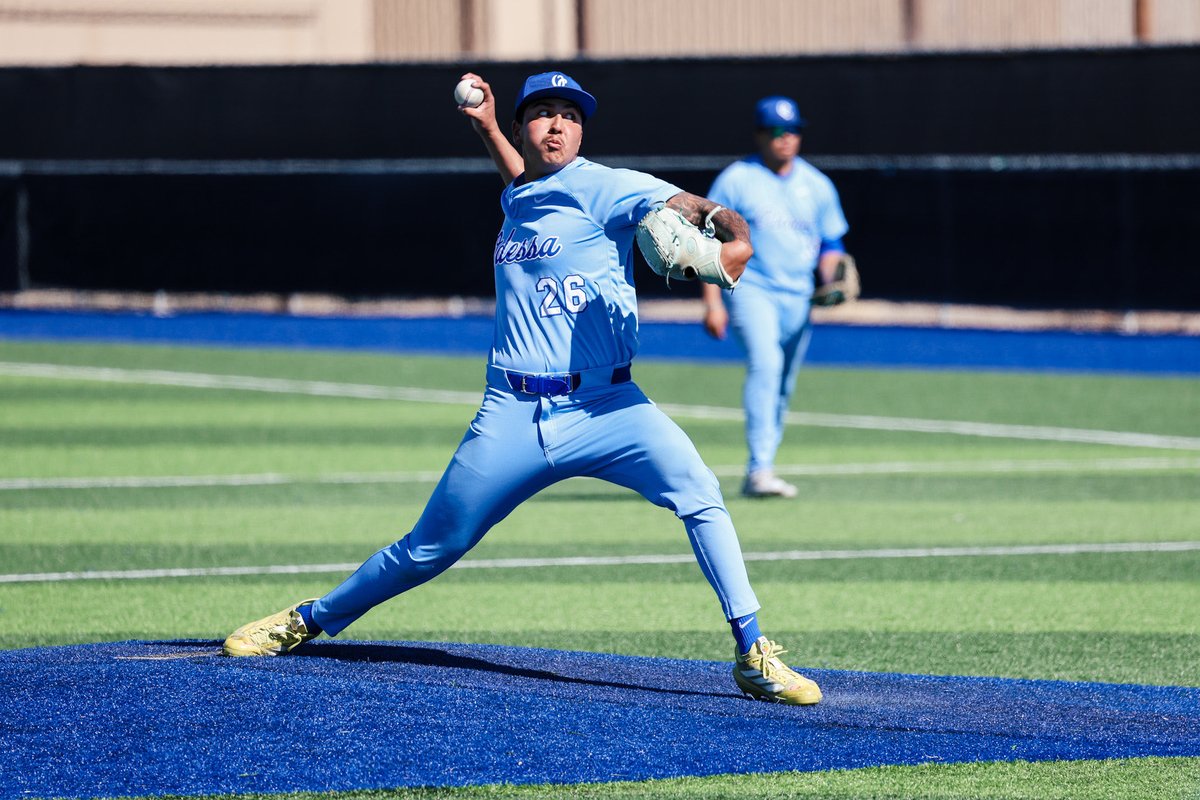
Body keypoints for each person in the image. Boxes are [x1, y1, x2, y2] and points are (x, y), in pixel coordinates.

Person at [222, 71, 822, 706]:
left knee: (700, 493)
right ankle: (308, 620)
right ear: (523, 128)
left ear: (583, 127)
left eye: (569, 113)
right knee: (431, 547)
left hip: (608, 406)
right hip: (512, 412)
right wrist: (484, 127)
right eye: (542, 114)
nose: (557, 124)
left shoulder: (609, 186)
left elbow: (695, 207)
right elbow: (523, 181)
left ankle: (753, 651)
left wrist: (737, 238)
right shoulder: (521, 194)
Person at [701, 96, 850, 499]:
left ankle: (764, 466)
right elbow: (709, 240)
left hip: (798, 296)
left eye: (793, 131)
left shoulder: (816, 185)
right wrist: (713, 302)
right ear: (760, 135)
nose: (786, 139)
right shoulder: (737, 179)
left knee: (784, 381)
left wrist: (830, 278)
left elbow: (831, 242)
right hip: (752, 288)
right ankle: (759, 470)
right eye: (776, 132)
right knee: (765, 365)